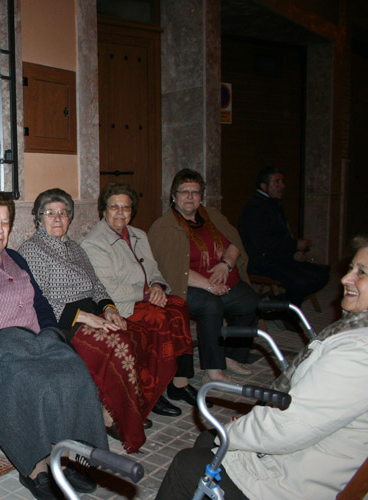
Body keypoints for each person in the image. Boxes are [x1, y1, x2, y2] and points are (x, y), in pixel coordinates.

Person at [156, 235, 368, 499]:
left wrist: (236, 430)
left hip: (300, 477)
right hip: (313, 453)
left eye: (362, 272)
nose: (347, 278)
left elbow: (289, 428)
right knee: (207, 440)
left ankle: (227, 359)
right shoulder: (353, 332)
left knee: (187, 465)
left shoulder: (358, 355)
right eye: (351, 269)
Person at [0, 191, 108, 500]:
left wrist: (50, 333)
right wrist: (1, 344)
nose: (0, 229)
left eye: (5, 221)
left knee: (73, 372)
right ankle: (35, 467)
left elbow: (41, 304)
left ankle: (67, 452)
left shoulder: (17, 259)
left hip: (32, 348)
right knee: (33, 383)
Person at [18, 187, 193, 453]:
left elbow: (98, 287)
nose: (57, 218)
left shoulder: (75, 248)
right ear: (37, 218)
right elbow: (40, 300)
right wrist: (87, 317)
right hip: (63, 322)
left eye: (63, 213)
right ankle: (110, 415)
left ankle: (131, 406)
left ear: (70, 219)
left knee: (133, 331)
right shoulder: (32, 249)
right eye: (49, 213)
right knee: (119, 342)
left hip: (92, 314)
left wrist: (109, 309)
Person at [80, 184, 198, 414]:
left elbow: (154, 270)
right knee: (158, 318)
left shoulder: (139, 235)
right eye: (114, 207)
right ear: (103, 210)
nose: (120, 212)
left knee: (179, 307)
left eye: (126, 207)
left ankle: (179, 383)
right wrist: (147, 294)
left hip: (145, 297)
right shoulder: (94, 243)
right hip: (121, 304)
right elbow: (108, 288)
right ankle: (152, 392)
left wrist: (156, 286)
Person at [148, 169, 258, 383]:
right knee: (211, 305)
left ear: (201, 196)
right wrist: (209, 285)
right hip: (185, 285)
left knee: (249, 301)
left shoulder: (213, 216)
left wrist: (225, 265)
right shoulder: (165, 227)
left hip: (222, 279)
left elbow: (236, 242)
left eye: (195, 192)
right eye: (184, 192)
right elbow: (171, 271)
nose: (190, 197)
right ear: (174, 195)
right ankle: (213, 368)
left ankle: (232, 356)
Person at [238, 166, 329, 308]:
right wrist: (294, 245)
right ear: (263, 186)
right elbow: (262, 245)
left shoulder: (274, 204)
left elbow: (282, 235)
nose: (282, 186)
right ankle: (282, 308)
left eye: (282, 181)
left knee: (322, 274)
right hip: (261, 261)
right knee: (301, 280)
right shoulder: (254, 209)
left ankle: (278, 303)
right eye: (277, 182)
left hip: (279, 257)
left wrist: (295, 250)